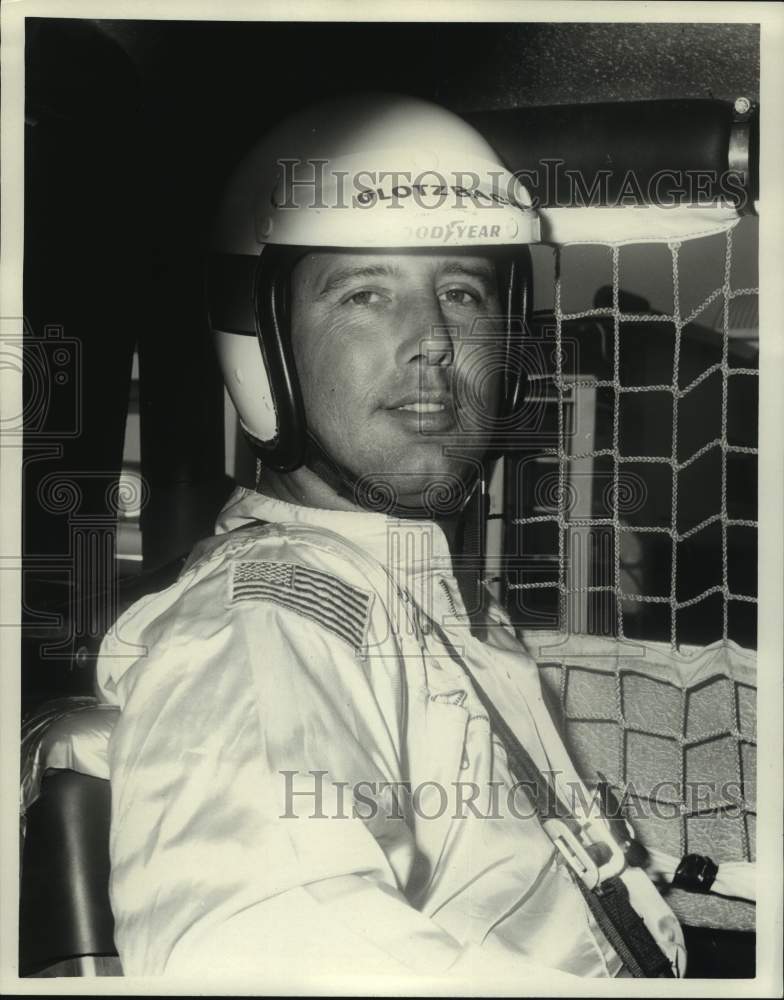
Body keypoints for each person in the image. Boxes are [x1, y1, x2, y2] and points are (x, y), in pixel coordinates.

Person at [97, 93, 685, 984]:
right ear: (266, 346)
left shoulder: (427, 596)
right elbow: (258, 951)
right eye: (366, 293)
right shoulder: (273, 622)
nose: (435, 342)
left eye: (461, 290)